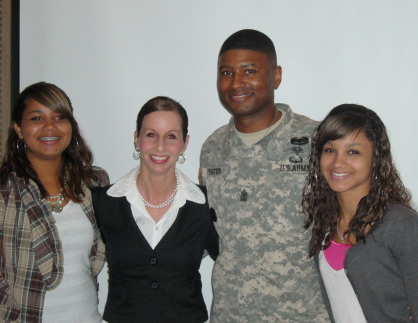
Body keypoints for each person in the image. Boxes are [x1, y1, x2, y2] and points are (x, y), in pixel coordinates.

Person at [200, 29, 330, 322]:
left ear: (276, 76)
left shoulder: (318, 139)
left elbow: (354, 220)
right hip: (231, 314)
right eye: (226, 72)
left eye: (249, 71)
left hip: (303, 314)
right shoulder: (212, 149)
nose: (236, 83)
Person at [302, 104, 418, 322]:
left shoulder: (402, 225)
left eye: (353, 151)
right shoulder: (325, 221)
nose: (338, 162)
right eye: (330, 150)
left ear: (375, 157)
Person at [92, 96, 218, 323]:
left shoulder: (205, 205)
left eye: (171, 136)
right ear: (137, 139)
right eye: (151, 135)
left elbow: (232, 260)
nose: (160, 146)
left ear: (184, 143)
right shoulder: (104, 202)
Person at [0, 82, 109, 323]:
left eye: (59, 117)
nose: (50, 126)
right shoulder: (5, 192)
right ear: (18, 128)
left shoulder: (94, 183)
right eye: (37, 118)